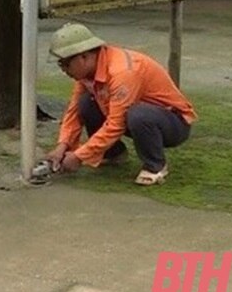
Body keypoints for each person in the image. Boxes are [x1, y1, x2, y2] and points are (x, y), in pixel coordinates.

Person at [45, 23, 197, 186]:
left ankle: (155, 166)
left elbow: (115, 124)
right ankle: (113, 154)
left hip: (173, 122)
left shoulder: (123, 72)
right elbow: (73, 111)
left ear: (84, 57)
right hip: (135, 116)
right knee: (86, 103)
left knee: (138, 115)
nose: (63, 70)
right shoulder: (87, 73)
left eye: (66, 64)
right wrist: (63, 145)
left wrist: (80, 156)